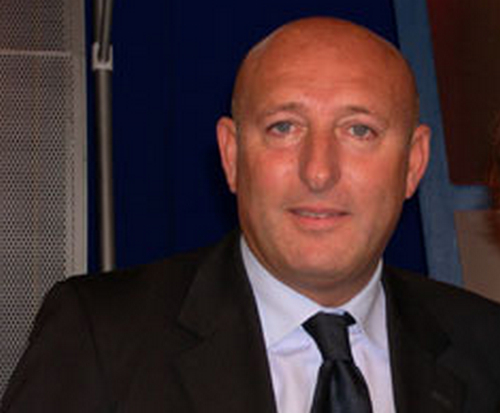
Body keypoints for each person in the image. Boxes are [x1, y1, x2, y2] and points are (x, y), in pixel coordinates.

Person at [3, 16, 500, 413]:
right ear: (232, 155)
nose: (318, 172)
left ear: (413, 163)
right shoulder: (101, 339)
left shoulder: (487, 349)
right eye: (284, 127)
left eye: (359, 131)